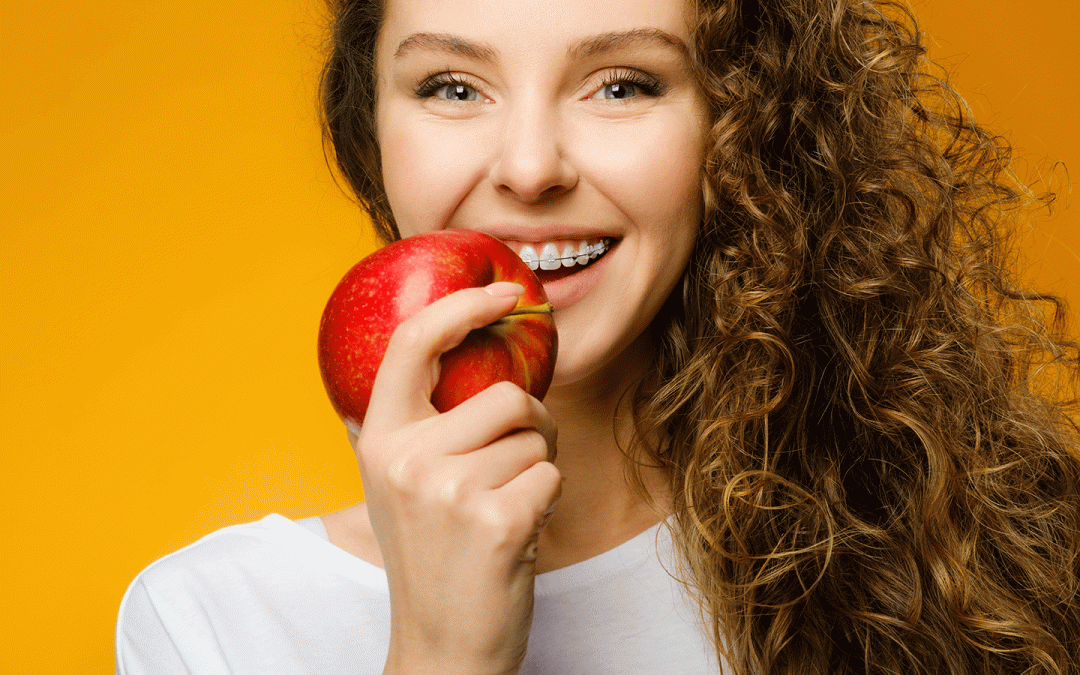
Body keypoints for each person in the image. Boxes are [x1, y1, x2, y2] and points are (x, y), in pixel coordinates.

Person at [116, 0, 1080, 673]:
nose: (530, 167)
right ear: (371, 131)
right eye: (452, 86)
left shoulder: (976, 557)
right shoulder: (213, 626)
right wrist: (443, 655)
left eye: (622, 84)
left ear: (739, 132)